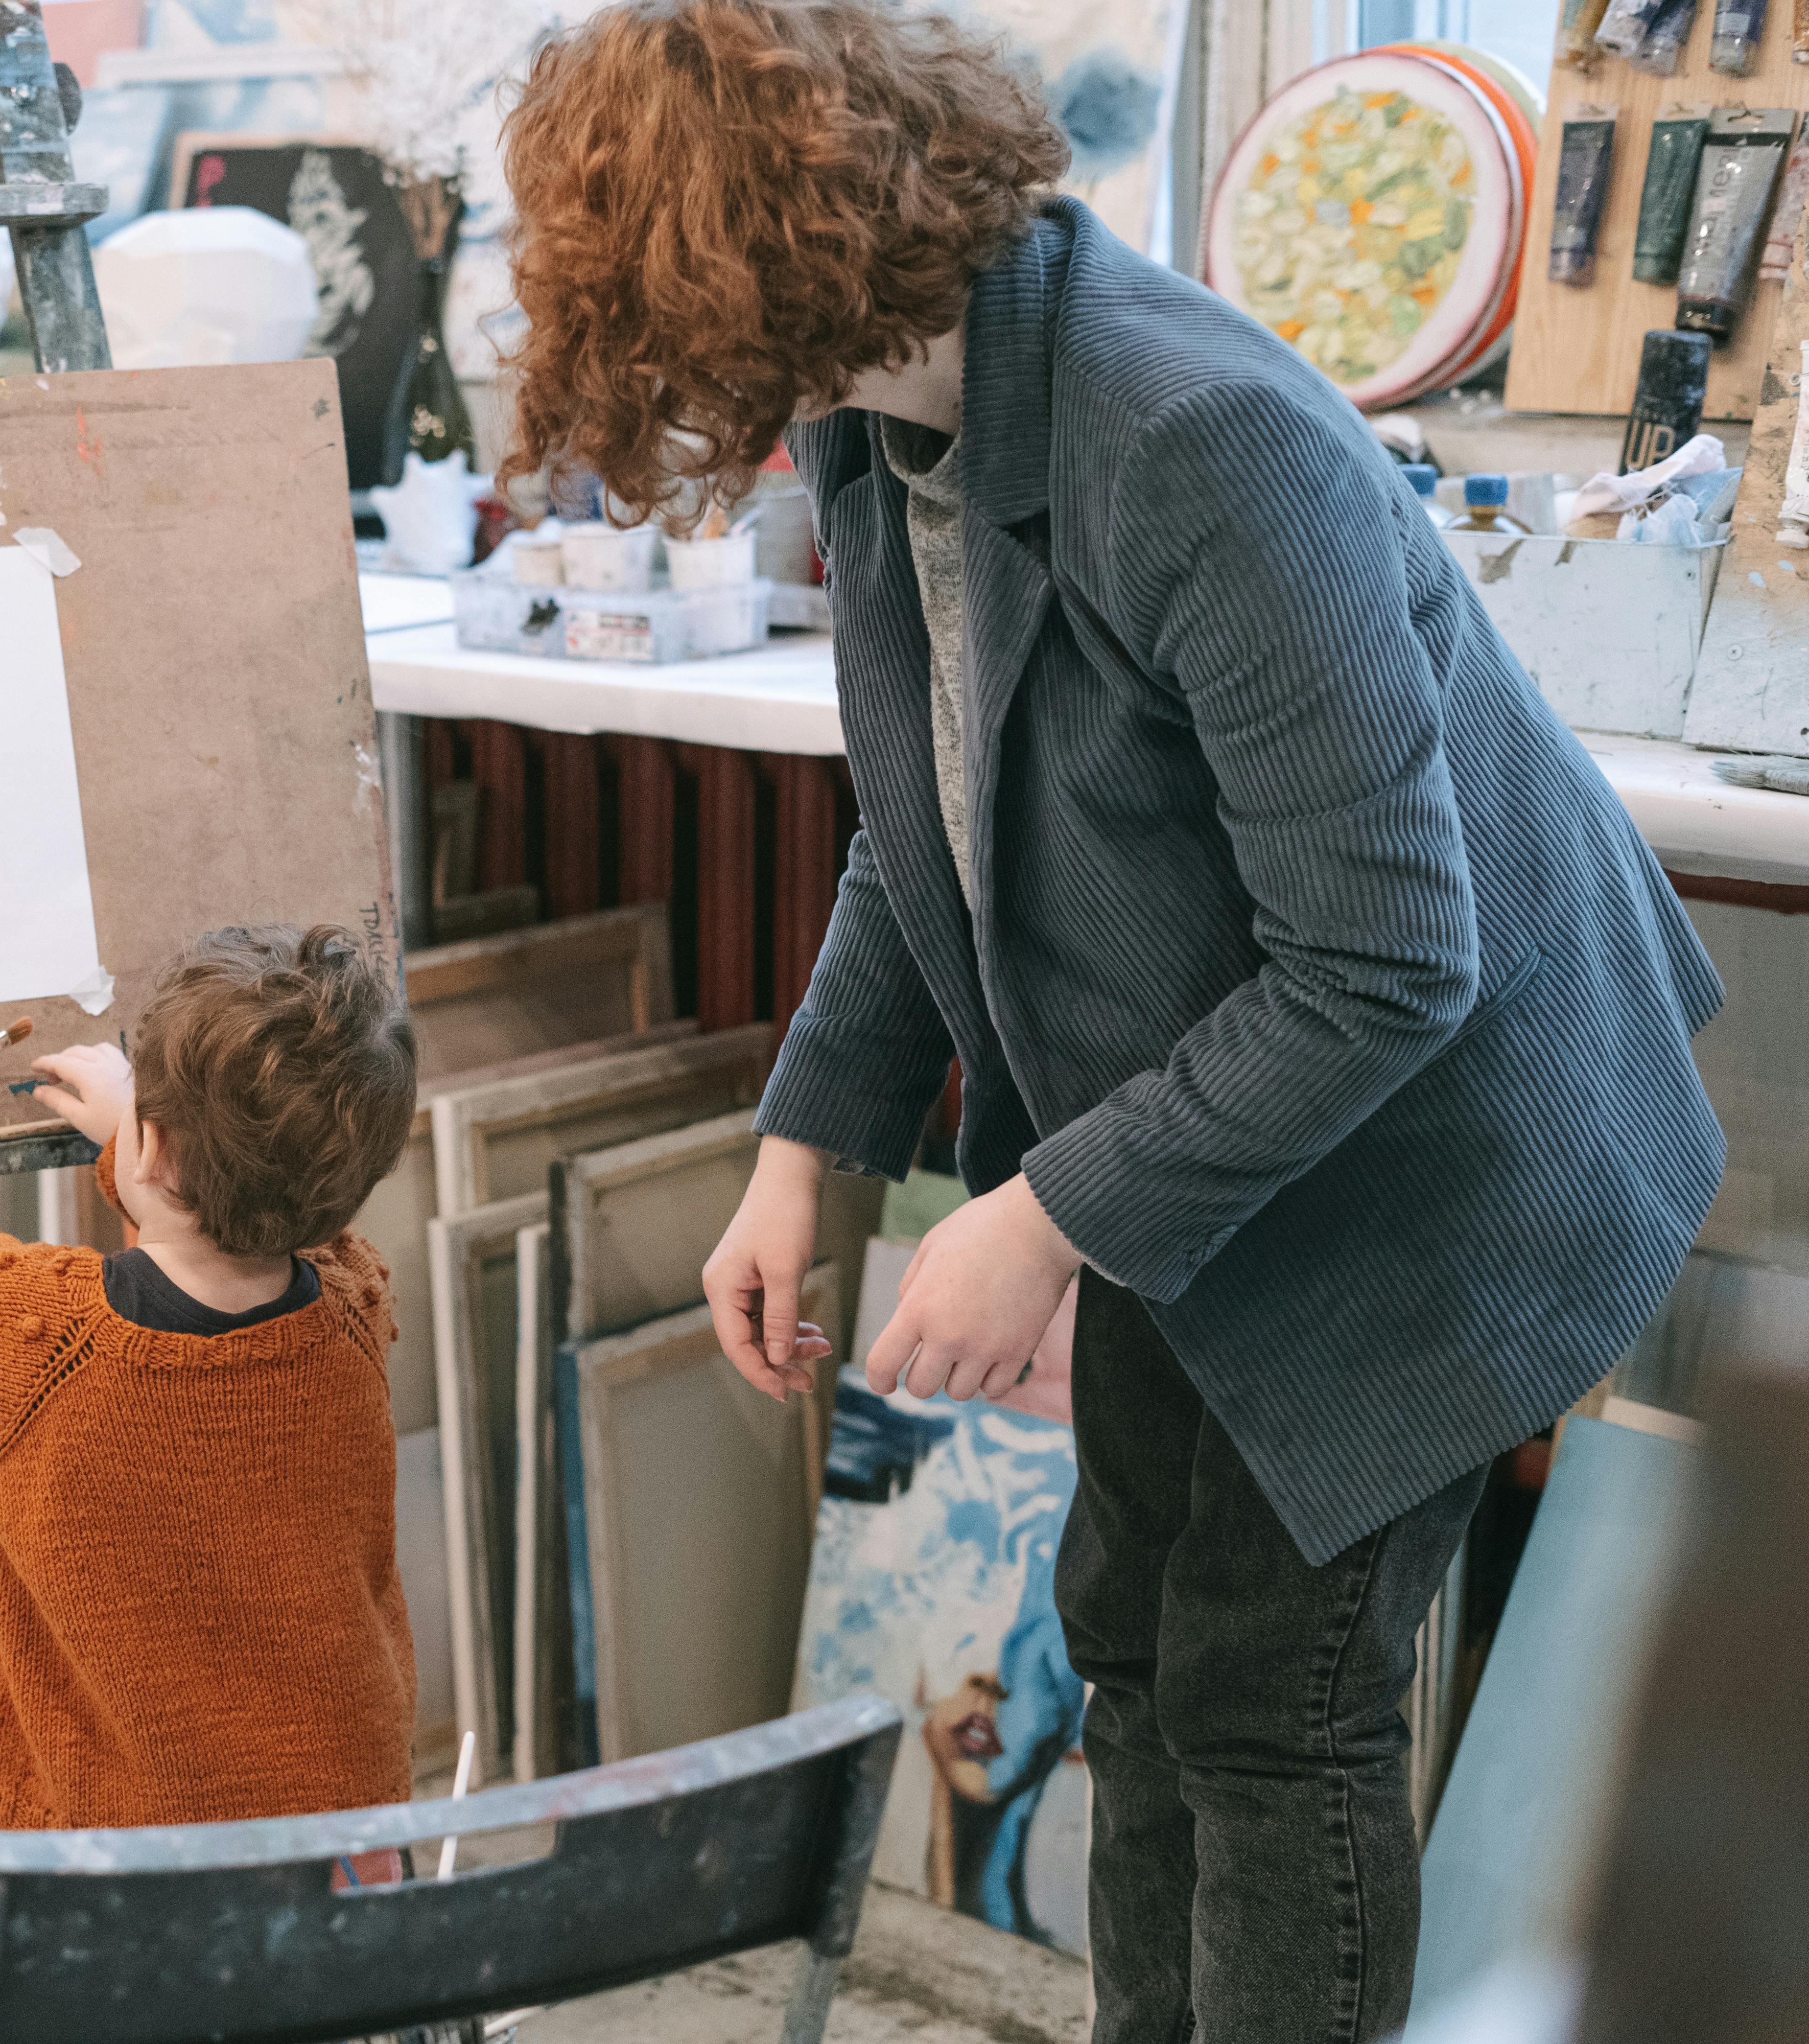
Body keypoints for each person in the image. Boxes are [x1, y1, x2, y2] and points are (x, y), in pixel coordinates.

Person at [498, 5, 1725, 2039]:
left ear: (780, 257)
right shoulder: (889, 409)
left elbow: (1387, 963)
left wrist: (1045, 1214)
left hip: (1437, 1150)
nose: (677, 391)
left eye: (670, 322)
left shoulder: (1192, 438)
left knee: (1270, 1701)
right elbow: (934, 822)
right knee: (1133, 1650)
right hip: (1222, 1127)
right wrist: (815, 1143)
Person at [0, 925, 424, 1834]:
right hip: (339, 1829)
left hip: (119, 1861)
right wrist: (158, 1148)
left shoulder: (45, 1345)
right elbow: (268, 1221)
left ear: (156, 1150)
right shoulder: (354, 1306)